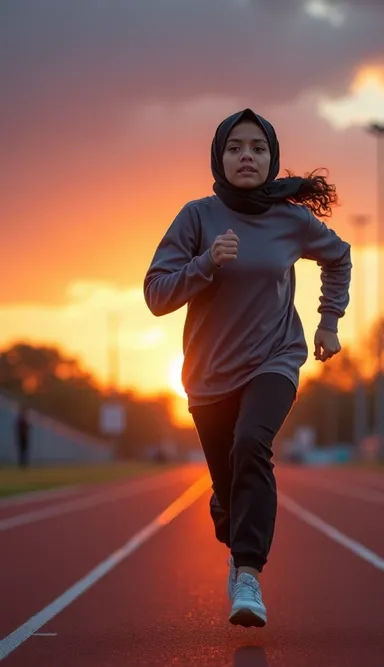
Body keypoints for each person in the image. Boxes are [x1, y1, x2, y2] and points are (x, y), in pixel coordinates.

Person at [144, 108, 351, 628]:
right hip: (208, 375)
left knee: (251, 445)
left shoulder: (293, 220)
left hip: (275, 359)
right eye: (236, 147)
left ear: (271, 158)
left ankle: (249, 575)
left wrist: (329, 321)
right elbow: (155, 295)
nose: (247, 156)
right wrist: (206, 263)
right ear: (219, 157)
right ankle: (237, 538)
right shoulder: (197, 217)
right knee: (227, 492)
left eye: (258, 148)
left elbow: (339, 256)